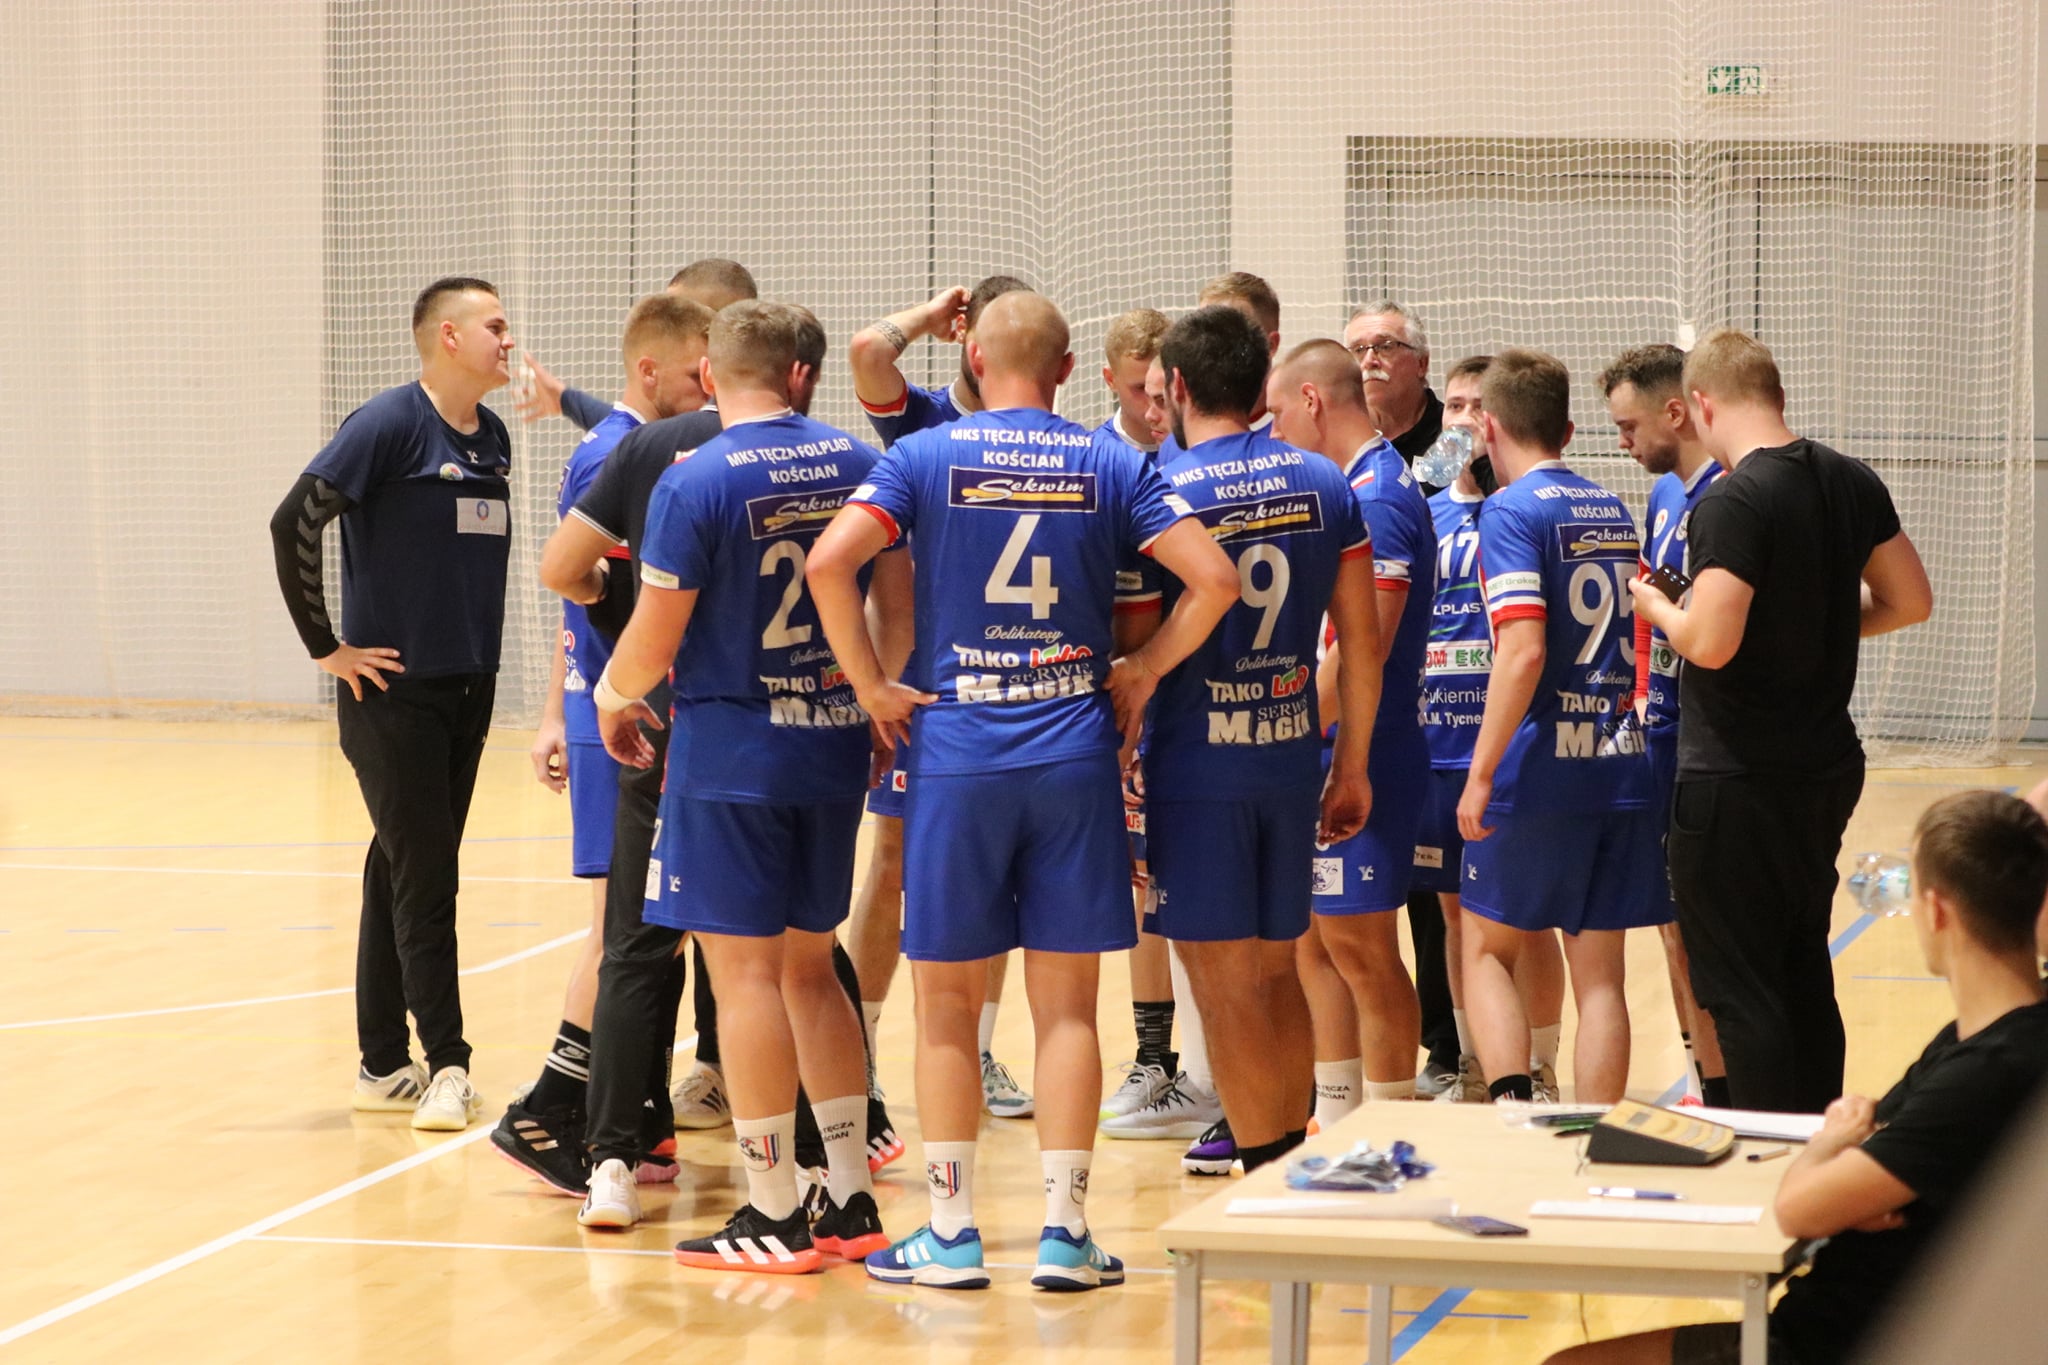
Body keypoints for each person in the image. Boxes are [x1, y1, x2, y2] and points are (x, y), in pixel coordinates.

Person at [807, 290, 1239, 1290]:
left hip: (958, 752)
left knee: (947, 1007)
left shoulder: (925, 455)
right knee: (1068, 1009)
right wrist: (1145, 668)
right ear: (1066, 368)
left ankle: (951, 1231)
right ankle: (1064, 1232)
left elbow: (830, 562)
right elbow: (1214, 580)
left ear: (972, 358)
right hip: (1074, 752)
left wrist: (870, 685)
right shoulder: (1112, 461)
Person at [549, 307, 901, 1229]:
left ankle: (773, 1208)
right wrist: (871, 694)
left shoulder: (695, 478)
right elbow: (894, 605)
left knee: (743, 976)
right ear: (798, 374)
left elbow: (652, 637)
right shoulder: (860, 462)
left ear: (709, 376)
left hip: (732, 756)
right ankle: (850, 1192)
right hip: (832, 743)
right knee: (812, 967)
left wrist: (608, 696)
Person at [1549, 789, 2048, 1365]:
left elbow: (1800, 1208)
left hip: (1846, 1341)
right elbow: (1878, 1144)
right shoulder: (1984, 1040)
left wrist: (1830, 1149)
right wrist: (1859, 1182)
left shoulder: (1985, 1072)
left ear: (1937, 912)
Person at [1629, 329, 1932, 1114]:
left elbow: (1710, 642)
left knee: (1741, 987)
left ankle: (1769, 1158)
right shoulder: (1850, 479)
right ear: (1777, 394)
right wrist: (1811, 620)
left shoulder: (1732, 499)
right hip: (1823, 767)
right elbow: (1910, 599)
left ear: (1701, 404)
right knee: (1802, 968)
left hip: (1737, 776)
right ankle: (1813, 1137)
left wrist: (1656, 605)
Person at [1135, 305, 1381, 1175]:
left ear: (1179, 387)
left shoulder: (1160, 488)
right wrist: (1350, 765)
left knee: (1222, 983)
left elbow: (1134, 639)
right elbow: (1362, 641)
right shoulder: (1326, 482)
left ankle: (1267, 1171)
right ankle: (1286, 1171)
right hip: (1288, 760)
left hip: (1197, 769)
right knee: (1279, 972)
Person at [266, 277, 515, 1130]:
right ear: (448, 336)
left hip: (469, 687)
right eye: (494, 325)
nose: (507, 339)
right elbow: (294, 520)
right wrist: (327, 648)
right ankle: (448, 1064)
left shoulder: (493, 437)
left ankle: (381, 1064)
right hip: (393, 695)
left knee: (401, 864)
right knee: (428, 874)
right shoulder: (388, 424)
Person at [491, 293, 715, 1192]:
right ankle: (554, 1106)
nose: (714, 385)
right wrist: (566, 708)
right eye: (701, 368)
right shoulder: (616, 451)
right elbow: (571, 582)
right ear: (656, 368)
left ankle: (640, 1119)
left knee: (655, 930)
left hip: (634, 708)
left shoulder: (642, 439)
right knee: (617, 933)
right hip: (620, 717)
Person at [843, 276, 1038, 1121]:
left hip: (1010, 687)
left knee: (999, 874)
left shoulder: (1041, 438)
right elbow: (867, 352)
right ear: (969, 337)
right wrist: (926, 317)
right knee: (890, 863)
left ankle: (981, 1051)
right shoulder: (922, 421)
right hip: (921, 687)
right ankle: (859, 1052)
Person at [1457, 348, 1661, 1105]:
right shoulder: (1612, 507)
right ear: (1568, 429)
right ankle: (1594, 1137)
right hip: (1617, 760)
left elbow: (1523, 650)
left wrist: (1481, 772)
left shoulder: (1509, 510)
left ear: (1487, 426)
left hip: (1538, 766)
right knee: (1600, 975)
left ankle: (1514, 1118)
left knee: (1485, 950)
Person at [1266, 339, 1433, 1117]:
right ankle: (1335, 1122)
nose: (1273, 433)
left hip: (1368, 750)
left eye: (1277, 415)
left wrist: (1295, 730)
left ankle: (1393, 1126)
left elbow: (1367, 644)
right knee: (1314, 944)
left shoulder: (1381, 495)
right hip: (1327, 747)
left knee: (1363, 950)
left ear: (1311, 401)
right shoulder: (1344, 488)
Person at [1414, 356, 1566, 1106]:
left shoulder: (1523, 510)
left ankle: (1540, 1066)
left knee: (1523, 919)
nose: (1465, 419)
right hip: (1435, 744)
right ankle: (1475, 1061)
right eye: (1453, 405)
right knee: (1453, 911)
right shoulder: (1425, 512)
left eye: (1479, 406)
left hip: (1507, 746)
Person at [1600, 342, 1730, 1108]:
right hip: (1660, 735)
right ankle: (1702, 1079)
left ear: (1675, 412)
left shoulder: (1726, 496)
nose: (1621, 442)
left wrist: (1656, 605)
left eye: (1628, 426)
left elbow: (1691, 616)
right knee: (1673, 929)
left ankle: (1727, 1088)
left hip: (1709, 745)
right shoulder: (1663, 496)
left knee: (1702, 928)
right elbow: (1657, 610)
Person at [1344, 298, 1461, 1092]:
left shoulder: (1451, 443)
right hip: (1376, 695)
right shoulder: (1342, 456)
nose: (1372, 359)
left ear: (1420, 362)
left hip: (1441, 692)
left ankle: (1448, 1049)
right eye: (1359, 347)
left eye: (1387, 345)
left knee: (1436, 893)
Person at [1089, 306, 1181, 1124]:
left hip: (1195, 693)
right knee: (1140, 886)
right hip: (1124, 698)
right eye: (1135, 391)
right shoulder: (1096, 462)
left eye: (1161, 391)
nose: (1151, 408)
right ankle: (1155, 1058)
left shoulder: (1195, 457)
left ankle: (1219, 1069)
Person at [516, 259, 758, 429]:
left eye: (679, 312)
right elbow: (640, 437)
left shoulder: (743, 411)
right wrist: (566, 400)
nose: (666, 320)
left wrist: (567, 401)